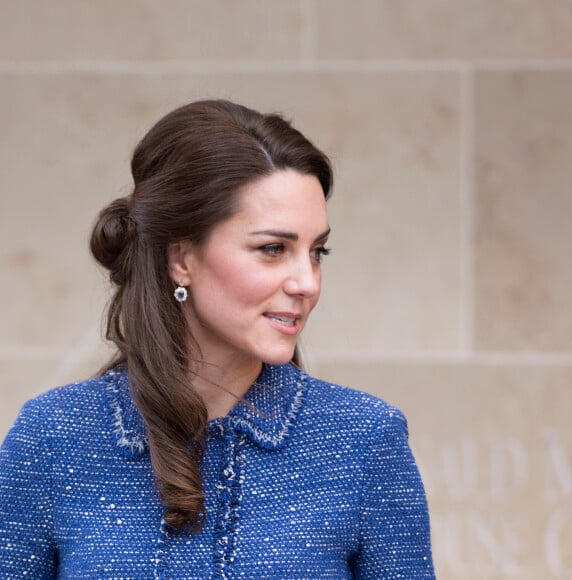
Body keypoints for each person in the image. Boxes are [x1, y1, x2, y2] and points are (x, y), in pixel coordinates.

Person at [0, 99, 435, 578]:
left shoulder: (365, 439)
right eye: (273, 249)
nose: (307, 282)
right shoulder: (53, 437)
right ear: (181, 258)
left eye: (316, 251)